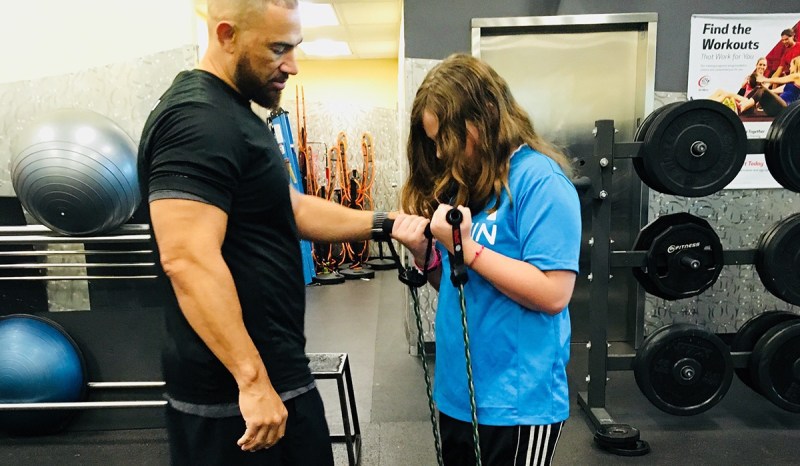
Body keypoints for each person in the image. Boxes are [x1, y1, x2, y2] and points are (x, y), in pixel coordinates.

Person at [137, 1, 391, 464]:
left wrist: (388, 226)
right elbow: (188, 259)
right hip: (236, 395)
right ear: (227, 34)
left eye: (294, 47)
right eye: (278, 49)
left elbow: (289, 208)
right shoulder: (199, 120)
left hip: (271, 372)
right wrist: (251, 382)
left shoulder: (233, 113)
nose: (292, 65)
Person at [391, 53, 581, 466]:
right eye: (434, 140)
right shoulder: (469, 184)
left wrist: (469, 248)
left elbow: (552, 294)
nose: (440, 153)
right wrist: (427, 253)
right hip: (459, 393)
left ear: (487, 115)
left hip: (517, 402)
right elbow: (458, 284)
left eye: (447, 138)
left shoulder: (541, 182)